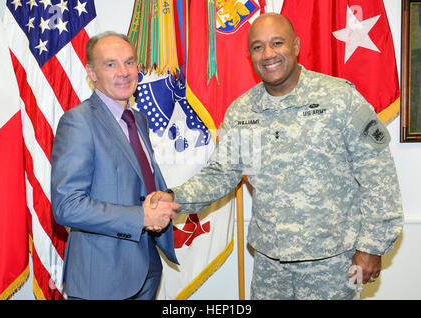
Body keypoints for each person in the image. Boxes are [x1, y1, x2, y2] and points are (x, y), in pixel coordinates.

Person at [151, 13, 404, 300]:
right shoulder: (243, 111)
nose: (268, 54)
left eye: (277, 43)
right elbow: (222, 174)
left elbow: (378, 173)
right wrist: (174, 197)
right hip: (271, 265)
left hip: (335, 263)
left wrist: (372, 246)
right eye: (258, 47)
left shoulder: (338, 98)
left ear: (295, 46)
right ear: (249, 55)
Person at [51, 31, 180, 300]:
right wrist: (140, 217)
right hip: (102, 278)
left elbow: (141, 182)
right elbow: (67, 206)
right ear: (92, 73)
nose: (124, 72)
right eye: (111, 64)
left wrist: (161, 200)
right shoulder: (78, 122)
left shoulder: (138, 119)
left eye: (129, 62)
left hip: (147, 268)